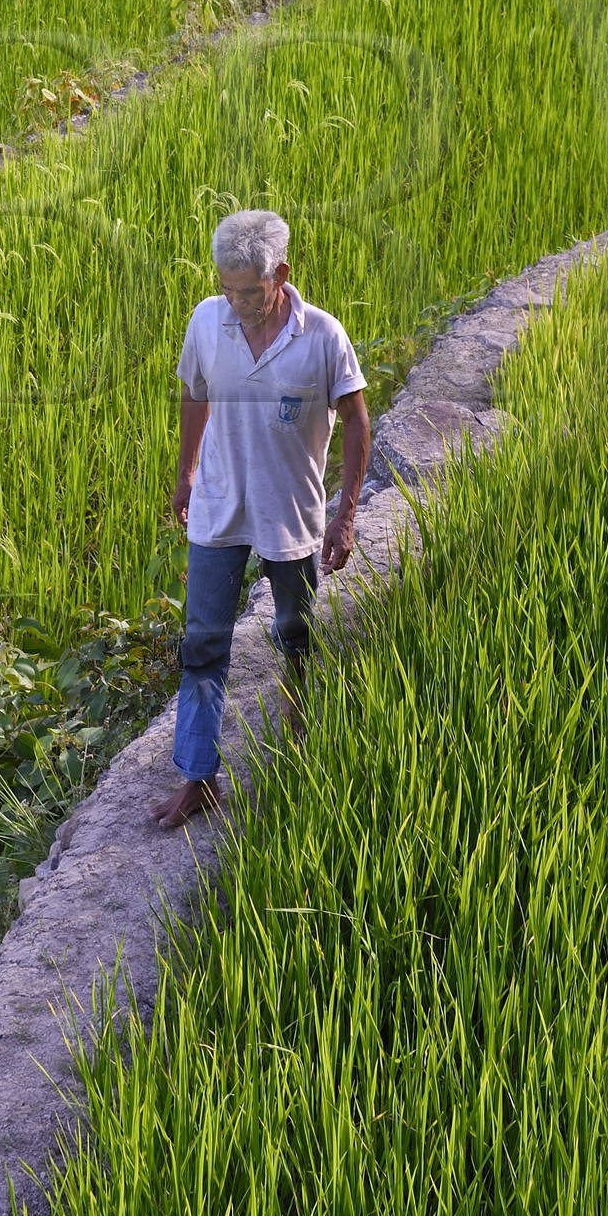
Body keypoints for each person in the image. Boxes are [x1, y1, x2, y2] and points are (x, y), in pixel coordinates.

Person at [152, 209, 371, 832]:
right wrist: (186, 472)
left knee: (295, 634)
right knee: (202, 644)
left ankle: (300, 739)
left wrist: (345, 515)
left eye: (249, 290)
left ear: (281, 274)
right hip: (219, 505)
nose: (237, 302)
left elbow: (357, 421)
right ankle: (199, 776)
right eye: (228, 288)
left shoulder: (322, 336)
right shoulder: (207, 320)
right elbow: (195, 393)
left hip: (290, 511)